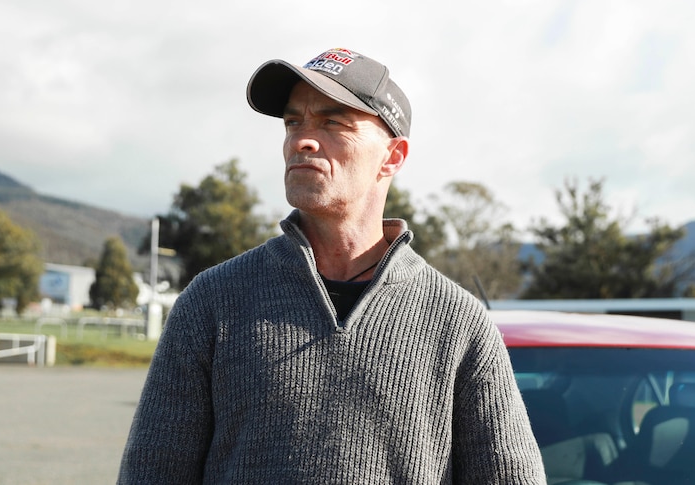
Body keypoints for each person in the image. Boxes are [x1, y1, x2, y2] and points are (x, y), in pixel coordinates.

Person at [118, 48, 545, 484]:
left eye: (331, 122)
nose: (301, 139)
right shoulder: (212, 302)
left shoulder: (458, 324)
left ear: (393, 156)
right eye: (293, 121)